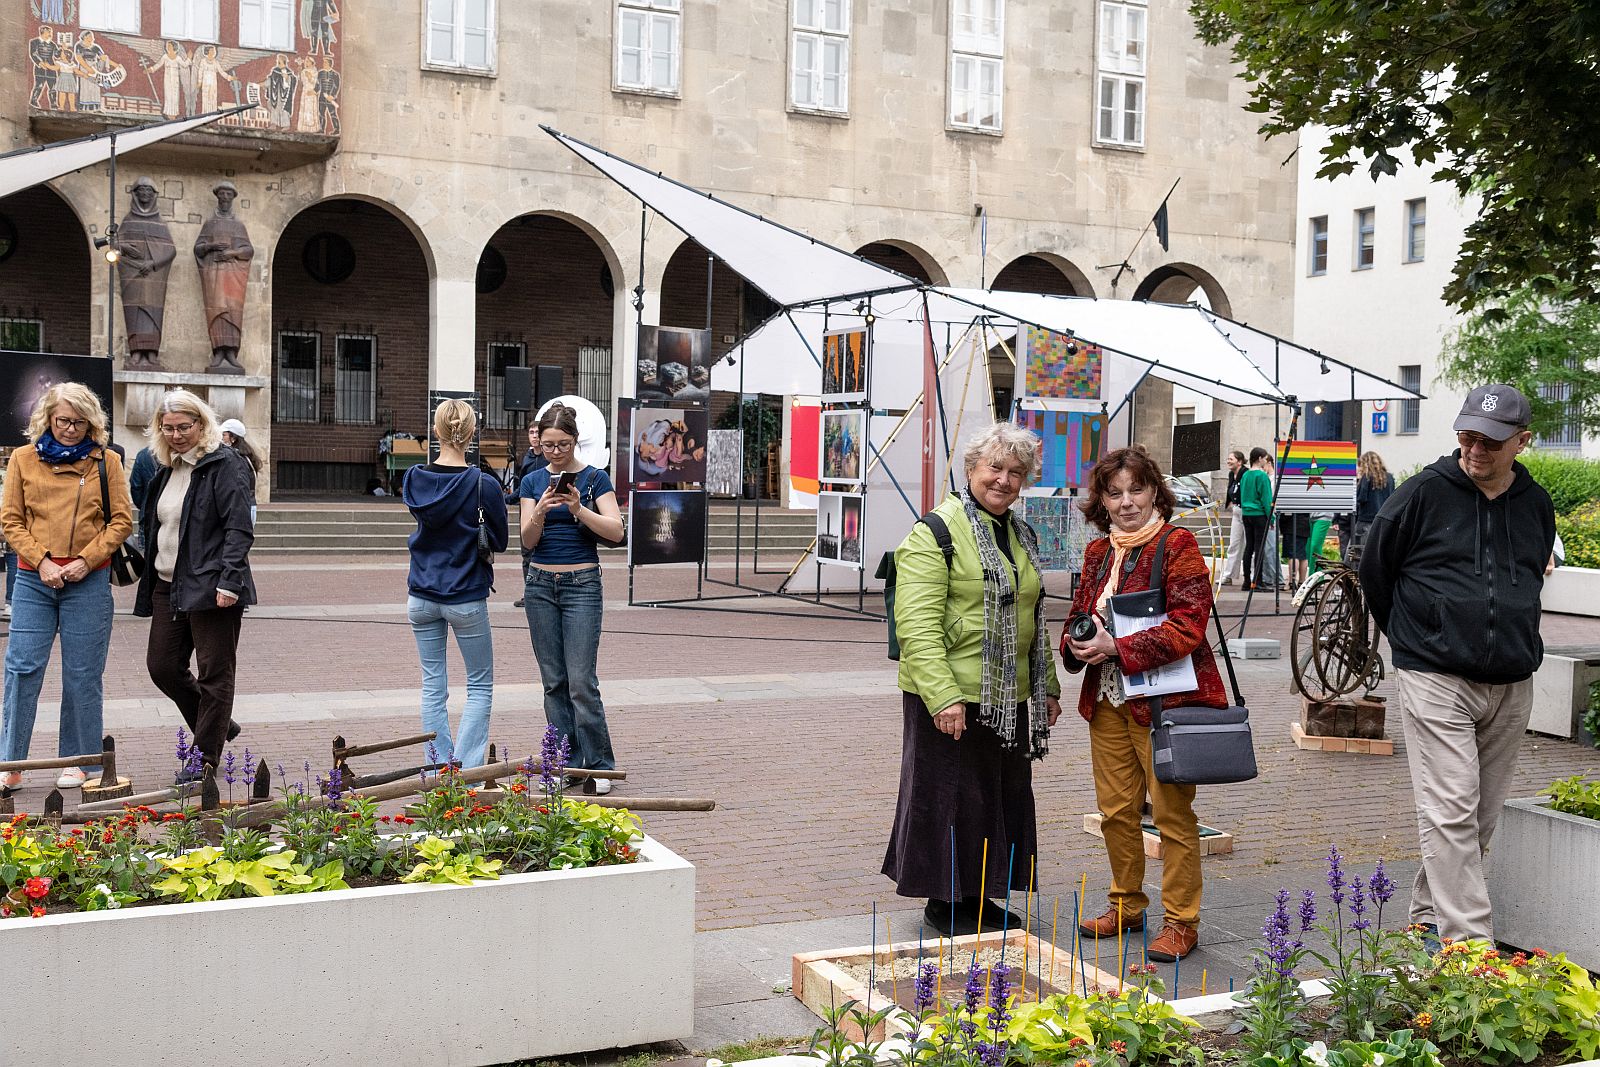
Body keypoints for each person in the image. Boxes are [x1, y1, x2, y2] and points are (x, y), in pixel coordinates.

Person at [1359, 384, 1554, 943]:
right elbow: (1375, 570)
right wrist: (1416, 639)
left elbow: (1533, 574)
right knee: (1450, 810)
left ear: (1521, 442)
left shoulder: (1536, 503)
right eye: (1467, 437)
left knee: (1479, 817)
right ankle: (1470, 949)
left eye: (1490, 441)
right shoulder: (1422, 493)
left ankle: (1428, 916)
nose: (1475, 450)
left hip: (1511, 680)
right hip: (1436, 674)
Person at [882, 422, 1063, 937]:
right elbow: (916, 625)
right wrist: (943, 697)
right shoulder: (935, 532)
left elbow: (1033, 617)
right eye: (994, 467)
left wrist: (1047, 687)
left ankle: (979, 898)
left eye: (1016, 472)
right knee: (949, 798)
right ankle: (944, 903)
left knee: (996, 797)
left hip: (1007, 695)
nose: (1004, 480)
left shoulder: (1019, 533)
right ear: (970, 469)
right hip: (953, 693)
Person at [1061, 446, 1229, 962]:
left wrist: (1117, 646)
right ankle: (1126, 905)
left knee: (1173, 817)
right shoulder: (1098, 552)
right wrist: (1076, 643)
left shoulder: (1177, 544)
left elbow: (1188, 626)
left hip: (1165, 704)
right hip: (1108, 701)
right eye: (1115, 493)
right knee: (1115, 813)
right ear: (1102, 501)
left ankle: (1181, 921)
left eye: (1137, 490)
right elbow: (1078, 614)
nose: (1127, 502)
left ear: (1155, 491)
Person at [0, 384, 133, 793]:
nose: (71, 429)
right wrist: (41, 561)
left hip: (87, 581)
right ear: (48, 419)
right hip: (33, 579)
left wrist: (85, 561)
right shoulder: (22, 459)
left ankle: (80, 760)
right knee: (22, 668)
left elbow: (121, 521)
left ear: (91, 423)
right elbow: (10, 520)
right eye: (63, 421)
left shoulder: (106, 461)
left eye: (79, 422)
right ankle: (11, 762)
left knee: (82, 673)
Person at [134, 390, 256, 777]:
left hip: (212, 585)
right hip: (168, 584)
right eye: (167, 428)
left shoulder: (225, 464)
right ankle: (218, 724)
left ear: (202, 424)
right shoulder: (167, 468)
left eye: (183, 427)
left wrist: (230, 581)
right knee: (163, 667)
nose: (175, 435)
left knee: (214, 673)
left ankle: (204, 757)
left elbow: (239, 527)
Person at [519, 403, 625, 794]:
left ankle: (599, 766)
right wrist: (540, 511)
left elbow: (616, 531)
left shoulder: (596, 478)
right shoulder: (532, 482)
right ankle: (565, 762)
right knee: (554, 682)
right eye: (548, 445)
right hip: (540, 585)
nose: (556, 452)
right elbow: (527, 540)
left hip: (582, 584)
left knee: (581, 681)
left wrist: (579, 509)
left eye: (563, 444)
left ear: (575, 440)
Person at [402, 400, 508, 770]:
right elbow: (499, 540)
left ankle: (437, 770)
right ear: (472, 433)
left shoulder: (414, 478)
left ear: (436, 431)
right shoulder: (483, 484)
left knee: (433, 686)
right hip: (465, 594)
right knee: (479, 685)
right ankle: (465, 775)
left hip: (421, 592)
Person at [1239, 447, 1273, 591]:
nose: (1266, 461)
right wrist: (1271, 518)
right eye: (1265, 458)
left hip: (1246, 513)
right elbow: (1267, 499)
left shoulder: (1245, 475)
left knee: (1249, 547)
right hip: (1259, 514)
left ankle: (1247, 581)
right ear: (1259, 458)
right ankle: (1257, 581)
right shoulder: (1262, 476)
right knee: (1259, 548)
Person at [219, 418, 263, 525]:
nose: (221, 438)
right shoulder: (244, 457)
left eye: (224, 435)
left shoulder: (236, 458)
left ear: (233, 438)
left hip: (241, 508)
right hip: (245, 506)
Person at [1354, 451, 1395, 547]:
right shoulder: (1389, 477)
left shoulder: (1366, 477)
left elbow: (1361, 498)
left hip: (1366, 520)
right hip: (1383, 521)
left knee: (1356, 551)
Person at [1219, 450, 1247, 585]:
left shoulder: (1246, 474)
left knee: (1248, 544)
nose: (1228, 461)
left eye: (1231, 459)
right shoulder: (1231, 474)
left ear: (1239, 461)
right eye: (1228, 459)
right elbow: (1231, 490)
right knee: (1233, 543)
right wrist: (1229, 503)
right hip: (1236, 511)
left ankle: (1251, 576)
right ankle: (1228, 575)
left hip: (1246, 511)